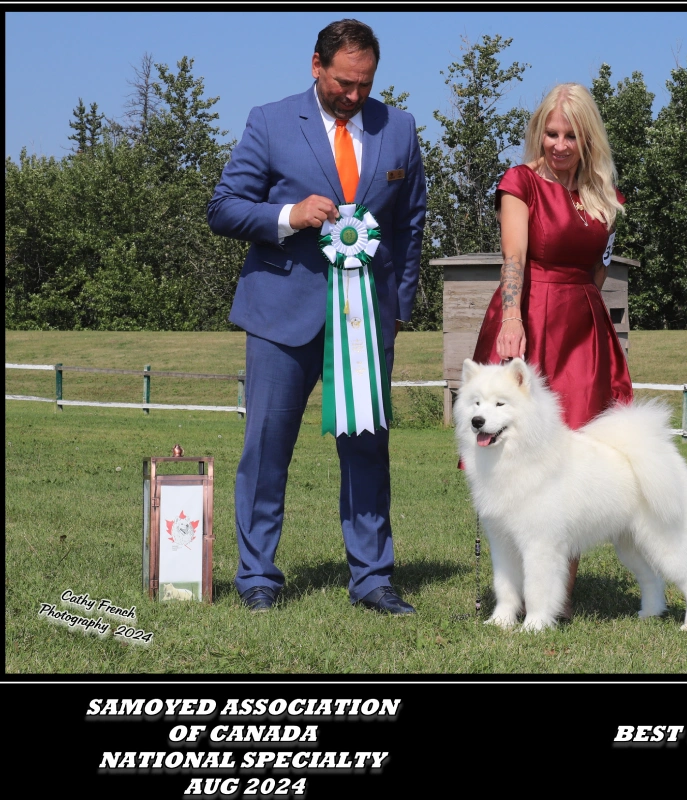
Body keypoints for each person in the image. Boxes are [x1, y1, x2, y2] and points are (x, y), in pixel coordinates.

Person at [208, 19, 426, 615]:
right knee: (266, 449)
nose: (355, 96)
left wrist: (399, 308)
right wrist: (289, 215)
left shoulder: (400, 128)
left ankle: (374, 579)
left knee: (366, 448)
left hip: (367, 320)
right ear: (316, 66)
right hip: (281, 316)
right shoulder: (270, 121)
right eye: (344, 83)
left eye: (366, 83)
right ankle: (257, 578)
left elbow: (410, 225)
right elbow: (223, 207)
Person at [471, 83, 633, 619]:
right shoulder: (520, 182)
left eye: (571, 135)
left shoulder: (607, 197)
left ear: (588, 139)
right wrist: (513, 319)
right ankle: (513, 591)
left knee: (578, 451)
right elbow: (513, 255)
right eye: (551, 132)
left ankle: (557, 593)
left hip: (582, 326)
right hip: (530, 317)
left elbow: (597, 271)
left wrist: (593, 322)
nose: (559, 144)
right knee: (518, 449)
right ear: (539, 130)